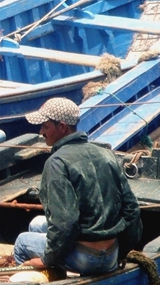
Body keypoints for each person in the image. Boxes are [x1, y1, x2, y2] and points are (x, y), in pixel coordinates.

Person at [13, 97, 142, 275]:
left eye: (45, 126)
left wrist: (45, 260)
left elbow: (65, 223)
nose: (41, 131)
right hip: (111, 254)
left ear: (62, 127)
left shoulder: (56, 163)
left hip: (86, 259)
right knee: (36, 225)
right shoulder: (106, 154)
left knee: (22, 242)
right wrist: (122, 252)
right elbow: (132, 210)